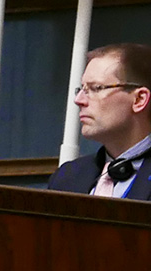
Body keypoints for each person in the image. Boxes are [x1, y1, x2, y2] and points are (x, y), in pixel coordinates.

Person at [49, 43, 151, 200]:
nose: (79, 100)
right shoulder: (66, 178)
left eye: (96, 88)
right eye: (81, 89)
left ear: (139, 99)